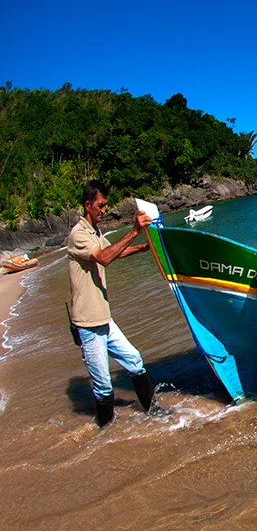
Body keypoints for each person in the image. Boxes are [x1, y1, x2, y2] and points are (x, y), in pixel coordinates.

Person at [67, 180, 155, 427]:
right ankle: (104, 436)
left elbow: (114, 251)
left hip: (104, 318)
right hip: (88, 323)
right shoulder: (79, 234)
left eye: (105, 205)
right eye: (101, 205)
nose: (104, 211)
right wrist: (134, 231)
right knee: (104, 387)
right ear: (88, 205)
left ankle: (153, 413)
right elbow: (104, 258)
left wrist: (142, 248)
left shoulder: (94, 233)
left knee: (135, 361)